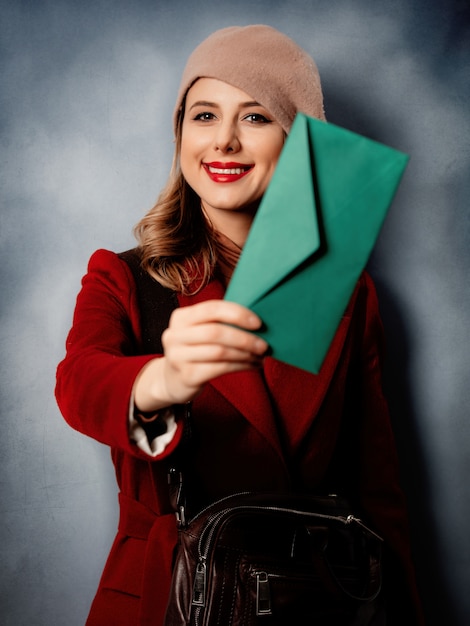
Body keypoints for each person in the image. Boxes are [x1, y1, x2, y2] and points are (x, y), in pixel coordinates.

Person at [55, 24, 424, 626]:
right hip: (164, 602)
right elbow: (78, 382)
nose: (223, 142)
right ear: (179, 135)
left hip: (314, 604)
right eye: (203, 115)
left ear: (299, 141)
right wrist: (161, 383)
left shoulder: (346, 294)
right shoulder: (123, 277)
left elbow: (378, 493)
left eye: (255, 118)